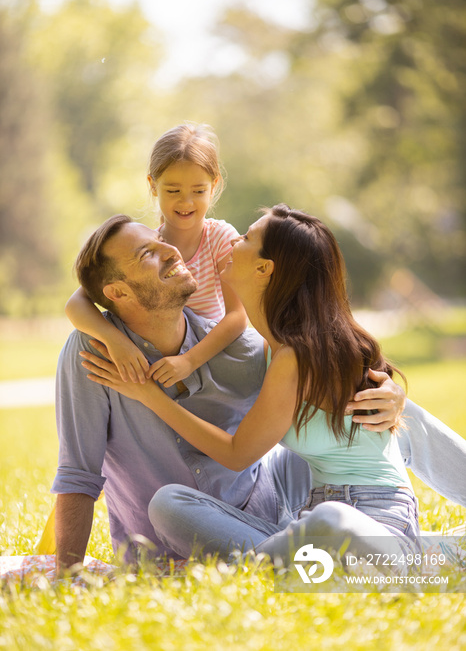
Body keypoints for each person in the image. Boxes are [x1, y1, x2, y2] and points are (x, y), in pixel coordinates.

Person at [55, 213, 466, 574]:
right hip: (223, 522)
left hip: (309, 505)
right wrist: (67, 575)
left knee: (392, 420)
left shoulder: (254, 351)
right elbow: (83, 294)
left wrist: (391, 395)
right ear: (118, 293)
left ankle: (297, 554)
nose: (172, 250)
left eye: (247, 239)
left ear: (266, 269)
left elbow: (243, 449)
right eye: (147, 252)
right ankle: (315, 552)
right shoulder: (97, 353)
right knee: (169, 504)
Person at [65, 123, 248, 388]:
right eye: (173, 191)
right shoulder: (146, 248)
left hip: (208, 358)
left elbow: (237, 317)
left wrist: (189, 361)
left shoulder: (219, 238)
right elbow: (75, 304)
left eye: (198, 191)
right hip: (159, 357)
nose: (186, 203)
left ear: (214, 185)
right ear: (153, 185)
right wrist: (116, 341)